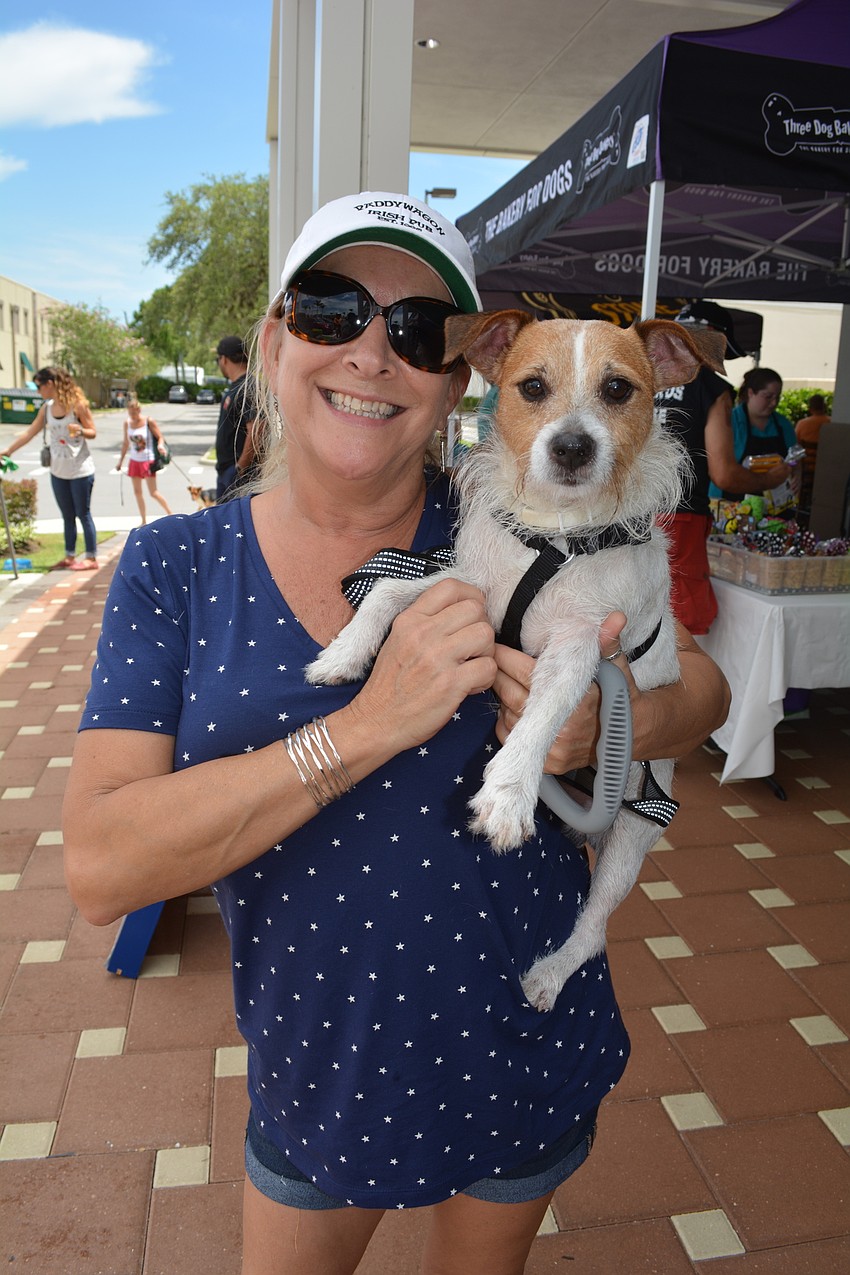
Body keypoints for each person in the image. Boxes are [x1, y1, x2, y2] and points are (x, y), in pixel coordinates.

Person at [63, 191, 729, 1275]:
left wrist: (611, 726)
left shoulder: (523, 517)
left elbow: (700, 689)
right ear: (274, 341)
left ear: (459, 377)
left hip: (523, 1033)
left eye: (416, 330)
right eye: (330, 309)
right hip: (322, 1058)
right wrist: (361, 729)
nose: (371, 354)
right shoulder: (176, 567)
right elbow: (100, 869)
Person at [655, 302, 791, 634]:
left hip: (634, 512)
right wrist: (770, 479)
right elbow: (724, 474)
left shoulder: (649, 378)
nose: (721, 361)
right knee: (684, 618)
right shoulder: (711, 388)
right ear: (712, 339)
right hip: (681, 517)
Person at [1, 365, 98, 570]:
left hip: (80, 470)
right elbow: (30, 433)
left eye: (39, 386)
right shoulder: (47, 408)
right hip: (58, 471)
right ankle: (70, 556)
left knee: (83, 513)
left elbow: (93, 431)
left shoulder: (77, 405)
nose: (38, 391)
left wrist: (80, 430)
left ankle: (91, 558)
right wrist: (8, 451)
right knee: (67, 515)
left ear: (50, 384)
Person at [708, 367, 796, 502]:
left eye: (777, 397)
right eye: (768, 397)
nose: (774, 403)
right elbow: (718, 469)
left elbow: (794, 460)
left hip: (774, 503)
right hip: (729, 503)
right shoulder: (729, 421)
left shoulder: (783, 425)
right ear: (750, 393)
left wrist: (795, 475)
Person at [115, 396, 173, 525]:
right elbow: (125, 443)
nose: (133, 416)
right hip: (134, 460)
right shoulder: (127, 423)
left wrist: (160, 446)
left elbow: (160, 437)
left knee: (153, 492)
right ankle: (143, 520)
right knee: (137, 492)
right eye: (130, 413)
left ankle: (171, 514)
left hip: (148, 460)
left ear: (139, 410)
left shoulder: (148, 421)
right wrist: (120, 462)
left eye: (134, 413)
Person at [215, 335, 258, 499]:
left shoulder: (247, 386)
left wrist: (240, 468)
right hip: (229, 472)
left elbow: (257, 427)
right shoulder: (238, 386)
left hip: (238, 475)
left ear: (224, 359)